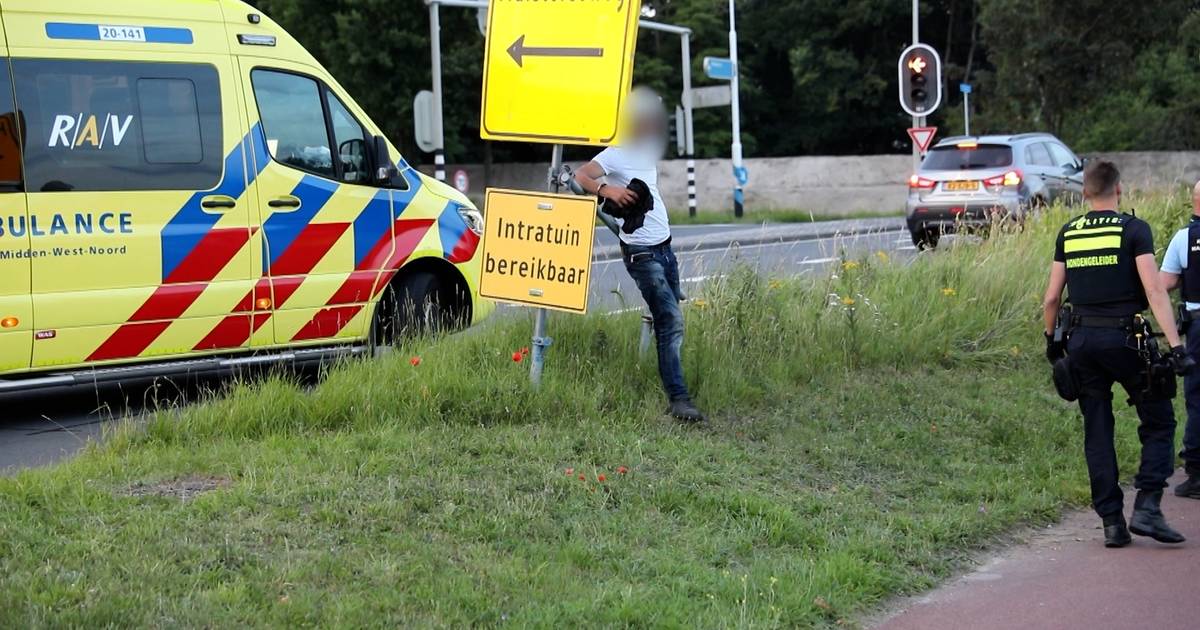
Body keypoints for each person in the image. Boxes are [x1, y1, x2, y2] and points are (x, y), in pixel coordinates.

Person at [1042, 160, 1193, 548]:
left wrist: (1052, 343)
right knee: (1159, 419)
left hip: (1081, 343)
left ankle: (1111, 521)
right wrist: (1176, 347)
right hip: (1126, 339)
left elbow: (1052, 298)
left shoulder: (1069, 232)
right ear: (1120, 190)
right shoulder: (1133, 229)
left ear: (1084, 194)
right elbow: (1156, 291)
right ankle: (1147, 505)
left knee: (1097, 428)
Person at [574, 88, 704, 423]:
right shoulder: (614, 154)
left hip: (665, 246)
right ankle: (679, 399)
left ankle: (665, 308)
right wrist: (608, 190)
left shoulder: (646, 152)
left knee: (670, 306)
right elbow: (582, 175)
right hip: (642, 253)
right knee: (670, 320)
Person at [1159, 179, 1200, 499]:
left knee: (1197, 396)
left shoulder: (1184, 238)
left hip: (1197, 325)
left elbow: (1165, 282)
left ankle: (1197, 473)